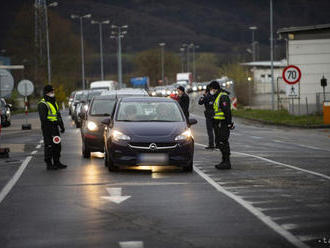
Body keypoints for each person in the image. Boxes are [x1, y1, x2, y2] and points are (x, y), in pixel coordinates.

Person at [38, 85, 67, 170]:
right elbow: (43, 119)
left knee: (57, 145)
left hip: (55, 128)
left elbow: (58, 115)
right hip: (47, 129)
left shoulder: (54, 102)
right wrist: (52, 123)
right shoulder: (43, 104)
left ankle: (57, 162)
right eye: (51, 92)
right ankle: (49, 164)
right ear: (46, 93)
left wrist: (61, 126)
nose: (53, 93)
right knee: (49, 146)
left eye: (53, 92)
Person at [208, 81, 234, 169]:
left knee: (223, 142)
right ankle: (224, 161)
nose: (211, 91)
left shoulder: (223, 97)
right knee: (219, 142)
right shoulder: (218, 96)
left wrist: (229, 123)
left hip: (222, 123)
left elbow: (227, 111)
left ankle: (226, 162)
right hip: (218, 123)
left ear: (215, 89)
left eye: (211, 89)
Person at [198, 84, 216, 149]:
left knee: (210, 130)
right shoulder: (216, 96)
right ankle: (218, 144)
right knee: (216, 130)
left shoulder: (206, 96)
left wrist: (203, 96)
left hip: (209, 115)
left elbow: (200, 102)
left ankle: (211, 144)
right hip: (216, 115)